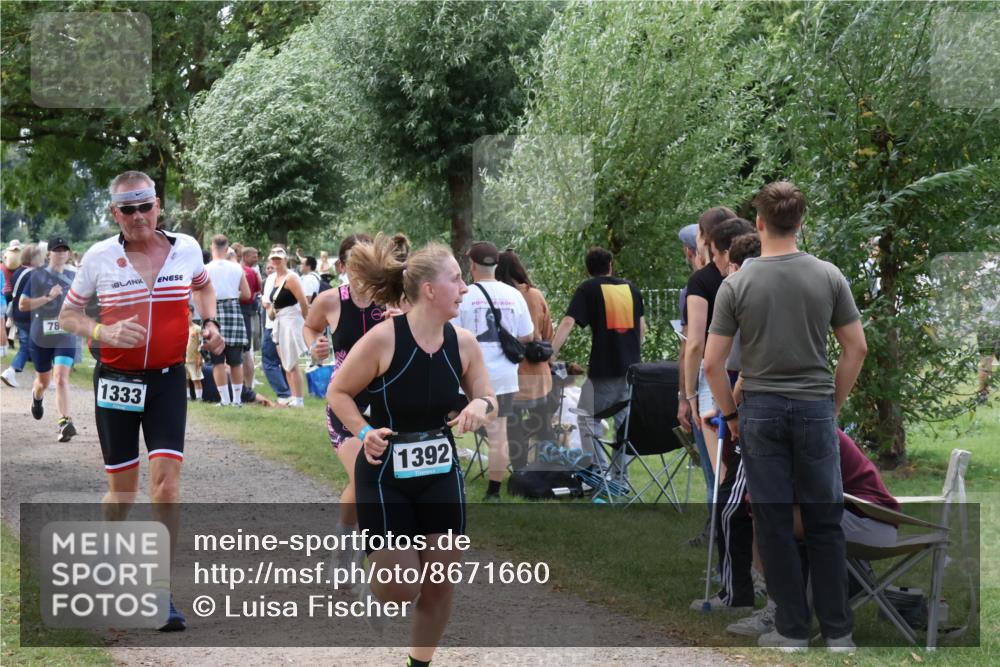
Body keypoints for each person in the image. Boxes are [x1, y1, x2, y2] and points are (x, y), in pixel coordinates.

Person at [704, 181, 868, 651]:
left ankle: (792, 630)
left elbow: (713, 364)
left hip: (761, 409)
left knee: (773, 520)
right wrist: (830, 404)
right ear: (800, 222)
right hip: (815, 405)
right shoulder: (829, 276)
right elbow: (855, 348)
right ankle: (839, 633)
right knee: (824, 520)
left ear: (759, 223)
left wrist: (731, 414)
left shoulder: (736, 284)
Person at [60, 170, 225, 632]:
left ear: (158, 207)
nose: (137, 217)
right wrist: (102, 331)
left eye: (144, 207)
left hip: (169, 380)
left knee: (167, 486)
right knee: (123, 491)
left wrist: (209, 323)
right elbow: (68, 314)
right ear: (115, 213)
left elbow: (204, 285)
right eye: (127, 210)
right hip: (117, 379)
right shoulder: (98, 257)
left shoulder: (187, 248)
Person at [328, 234, 496, 667]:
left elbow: (488, 397)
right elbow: (338, 393)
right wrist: (364, 432)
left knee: (440, 582)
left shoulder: (463, 343)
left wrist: (478, 405)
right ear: (429, 289)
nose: (465, 288)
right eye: (457, 279)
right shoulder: (384, 340)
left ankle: (418, 663)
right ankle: (373, 576)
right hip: (384, 469)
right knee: (400, 587)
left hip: (439, 470)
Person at [727, 428, 900, 639]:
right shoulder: (795, 428)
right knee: (769, 517)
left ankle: (784, 616)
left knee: (772, 522)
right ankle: (791, 615)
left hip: (869, 519)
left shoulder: (805, 435)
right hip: (851, 515)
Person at [303, 233, 393, 570]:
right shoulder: (329, 301)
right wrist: (315, 346)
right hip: (345, 402)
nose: (364, 272)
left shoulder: (391, 300)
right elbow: (310, 328)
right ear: (343, 267)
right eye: (357, 265)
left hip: (385, 401)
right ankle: (347, 553)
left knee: (375, 480)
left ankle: (359, 549)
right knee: (362, 475)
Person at [551, 247, 646, 482]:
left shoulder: (589, 288)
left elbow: (568, 322)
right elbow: (642, 330)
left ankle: (600, 473)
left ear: (588, 269)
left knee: (585, 416)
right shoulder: (630, 289)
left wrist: (550, 353)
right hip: (632, 369)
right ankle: (621, 479)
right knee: (623, 426)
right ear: (610, 265)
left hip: (606, 368)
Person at [451, 241, 533, 501]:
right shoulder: (514, 295)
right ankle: (494, 492)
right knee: (499, 434)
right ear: (496, 265)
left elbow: (451, 335)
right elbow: (527, 335)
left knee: (448, 423)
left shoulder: (465, 295)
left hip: (468, 376)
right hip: (505, 377)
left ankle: (446, 479)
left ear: (472, 265)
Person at [683, 207, 741, 500]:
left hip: (714, 374)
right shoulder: (755, 270)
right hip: (749, 372)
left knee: (719, 473)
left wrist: (688, 394)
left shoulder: (702, 280)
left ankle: (720, 535)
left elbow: (695, 342)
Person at [496, 249, 554, 471]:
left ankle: (520, 470)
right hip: (540, 374)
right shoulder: (536, 295)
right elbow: (549, 333)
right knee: (544, 425)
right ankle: (548, 468)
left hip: (513, 372)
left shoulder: (501, 298)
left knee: (514, 426)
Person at [19, 237, 80, 441]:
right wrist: (48, 297)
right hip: (41, 336)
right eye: (57, 250)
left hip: (65, 335)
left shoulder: (75, 276)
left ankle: (64, 422)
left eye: (64, 250)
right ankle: (37, 398)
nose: (61, 253)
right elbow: (22, 305)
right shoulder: (36, 276)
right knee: (43, 382)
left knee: (61, 377)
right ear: (49, 254)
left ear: (69, 254)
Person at [205, 234, 251, 406]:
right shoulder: (237, 268)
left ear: (212, 248)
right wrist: (232, 294)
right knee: (235, 361)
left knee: (217, 360)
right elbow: (247, 295)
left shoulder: (205, 268)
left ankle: (224, 400)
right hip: (233, 310)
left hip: (213, 311)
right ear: (227, 249)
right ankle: (237, 400)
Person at [265, 246, 308, 407]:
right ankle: (293, 396)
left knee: (292, 361)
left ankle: (299, 399)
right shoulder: (275, 277)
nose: (276, 261)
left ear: (284, 259)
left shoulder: (292, 278)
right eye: (273, 258)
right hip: (279, 321)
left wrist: (307, 323)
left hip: (291, 320)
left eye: (278, 258)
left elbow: (303, 302)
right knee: (285, 362)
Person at [2, 244, 44, 388]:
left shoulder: (18, 271)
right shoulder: (34, 274)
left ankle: (43, 377)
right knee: (31, 346)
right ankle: (11, 371)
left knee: (30, 346)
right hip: (30, 316)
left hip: (18, 315)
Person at [260, 253, 292, 402]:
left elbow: (266, 304)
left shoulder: (274, 279)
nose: (270, 268)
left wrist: (272, 312)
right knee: (286, 360)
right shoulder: (292, 276)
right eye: (269, 266)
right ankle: (291, 393)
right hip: (286, 324)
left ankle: (284, 394)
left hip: (274, 326)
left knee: (270, 361)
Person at [239, 246, 262, 390]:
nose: (256, 258)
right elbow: (256, 292)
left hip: (244, 310)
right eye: (254, 256)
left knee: (241, 350)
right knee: (247, 349)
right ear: (245, 256)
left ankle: (240, 385)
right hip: (247, 311)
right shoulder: (251, 272)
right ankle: (247, 386)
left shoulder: (250, 272)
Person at [185, 306, 204, 401]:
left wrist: (200, 357)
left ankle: (199, 397)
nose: (186, 316)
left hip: (194, 359)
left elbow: (201, 344)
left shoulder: (197, 329)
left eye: (189, 314)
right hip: (184, 359)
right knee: (185, 379)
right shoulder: (182, 328)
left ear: (193, 315)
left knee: (196, 379)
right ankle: (187, 396)